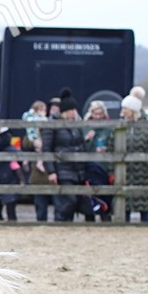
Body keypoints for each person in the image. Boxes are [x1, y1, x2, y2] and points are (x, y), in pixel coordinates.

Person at [41, 89, 86, 221]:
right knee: (68, 200)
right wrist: (51, 171)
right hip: (62, 169)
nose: (74, 113)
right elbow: (47, 149)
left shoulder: (77, 125)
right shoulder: (52, 125)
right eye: (72, 110)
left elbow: (81, 144)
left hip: (77, 169)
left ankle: (67, 225)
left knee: (74, 200)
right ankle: (60, 221)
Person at [119, 92, 148, 222]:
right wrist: (112, 171)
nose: (123, 111)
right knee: (123, 207)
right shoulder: (120, 127)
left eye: (125, 109)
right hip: (125, 174)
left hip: (144, 174)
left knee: (146, 208)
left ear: (132, 110)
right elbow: (112, 148)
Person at [82, 100, 113, 222]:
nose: (98, 117)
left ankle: (106, 218)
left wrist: (108, 149)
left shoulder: (109, 128)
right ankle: (89, 217)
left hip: (104, 167)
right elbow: (80, 148)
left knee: (105, 196)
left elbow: (115, 146)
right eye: (95, 114)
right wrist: (86, 140)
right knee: (90, 196)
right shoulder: (84, 127)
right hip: (89, 167)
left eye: (100, 114)